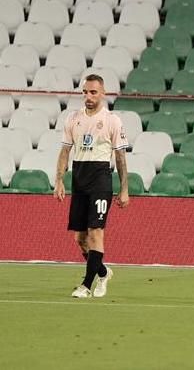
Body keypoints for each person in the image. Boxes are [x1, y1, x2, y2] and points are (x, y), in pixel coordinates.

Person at [54, 74, 130, 298]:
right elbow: (65, 152)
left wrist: (124, 189)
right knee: (80, 239)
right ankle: (104, 272)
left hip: (100, 180)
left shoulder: (112, 120)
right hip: (79, 179)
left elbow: (120, 158)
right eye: (85, 92)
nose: (88, 96)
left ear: (103, 93)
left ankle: (86, 285)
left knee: (96, 233)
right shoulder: (73, 119)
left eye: (93, 92)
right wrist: (59, 180)